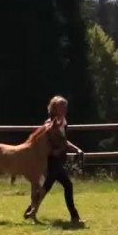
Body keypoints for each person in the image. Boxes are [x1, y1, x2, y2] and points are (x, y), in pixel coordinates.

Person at [24, 95, 84, 223]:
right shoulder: (49, 124)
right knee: (66, 185)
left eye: (64, 106)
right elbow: (43, 142)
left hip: (59, 159)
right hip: (52, 160)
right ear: (54, 108)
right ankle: (74, 216)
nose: (64, 109)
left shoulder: (63, 122)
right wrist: (54, 151)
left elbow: (64, 140)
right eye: (60, 106)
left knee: (46, 187)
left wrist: (76, 149)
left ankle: (31, 209)